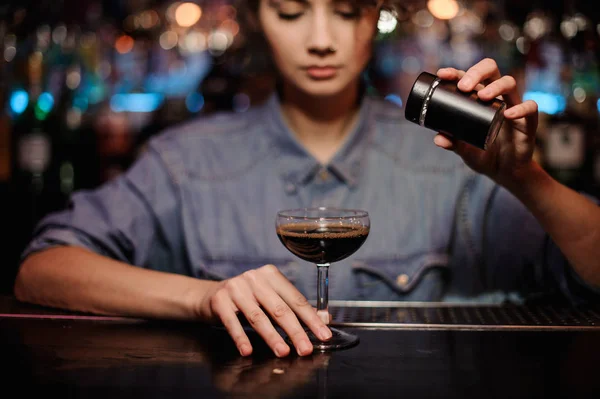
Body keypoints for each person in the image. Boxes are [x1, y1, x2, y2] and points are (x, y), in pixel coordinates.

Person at [14, 0, 600, 359]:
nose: (321, 38)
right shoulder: (186, 161)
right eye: (292, 10)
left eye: (346, 11)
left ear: (374, 20)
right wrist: (204, 298)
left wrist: (529, 180)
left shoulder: (450, 158)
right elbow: (41, 270)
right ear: (260, 20)